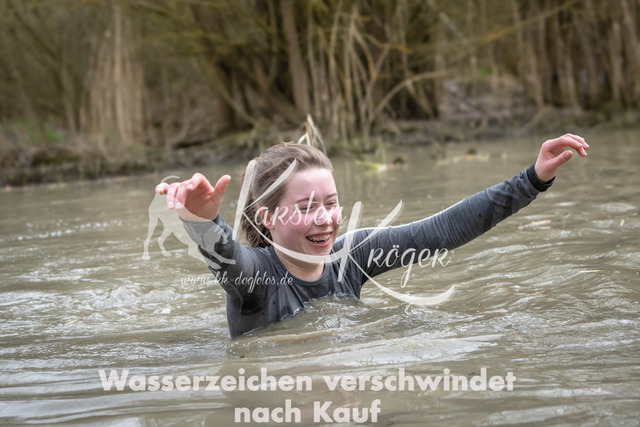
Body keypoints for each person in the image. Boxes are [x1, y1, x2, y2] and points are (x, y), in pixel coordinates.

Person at [156, 134, 589, 338]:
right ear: (267, 217)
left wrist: (532, 179)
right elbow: (228, 256)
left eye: (331, 202)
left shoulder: (352, 256)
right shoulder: (256, 281)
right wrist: (203, 222)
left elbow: (442, 231)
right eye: (306, 208)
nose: (325, 219)